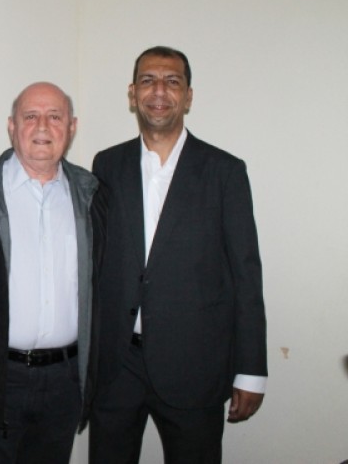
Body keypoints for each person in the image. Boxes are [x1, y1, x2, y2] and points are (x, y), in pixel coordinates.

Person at [88, 46, 267, 463]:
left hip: (195, 365)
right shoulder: (107, 165)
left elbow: (246, 274)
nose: (159, 91)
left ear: (188, 96)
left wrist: (251, 370)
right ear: (132, 93)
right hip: (117, 367)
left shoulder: (225, 171)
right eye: (148, 80)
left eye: (172, 81)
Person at [0, 82, 104, 464]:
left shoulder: (93, 197)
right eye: (30, 116)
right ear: (11, 126)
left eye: (55, 116)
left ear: (72, 127)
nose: (42, 126)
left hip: (63, 385)